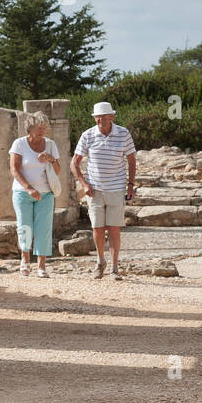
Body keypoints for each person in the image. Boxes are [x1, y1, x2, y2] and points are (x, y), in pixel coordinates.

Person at [70, 101, 137, 279]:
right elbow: (74, 163)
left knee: (114, 229)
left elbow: (131, 160)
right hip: (94, 189)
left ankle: (114, 268)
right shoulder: (87, 135)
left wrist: (130, 185)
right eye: (97, 116)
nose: (100, 119)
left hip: (116, 188)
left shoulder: (123, 133)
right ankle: (100, 261)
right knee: (97, 229)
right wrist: (84, 184)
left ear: (111, 117)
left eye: (103, 116)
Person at [9, 110, 61, 277]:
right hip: (22, 193)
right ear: (29, 129)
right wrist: (29, 188)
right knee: (24, 226)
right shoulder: (19, 144)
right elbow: (14, 170)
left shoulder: (51, 144)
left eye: (43, 127)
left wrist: (51, 159)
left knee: (43, 228)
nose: (42, 130)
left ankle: (41, 266)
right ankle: (24, 261)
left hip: (46, 193)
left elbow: (58, 170)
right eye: (39, 127)